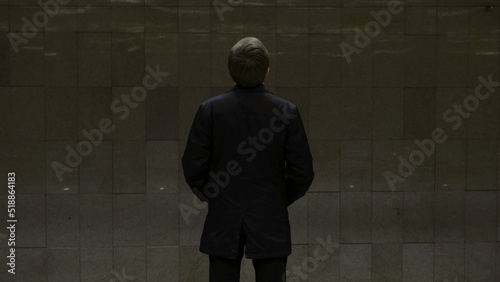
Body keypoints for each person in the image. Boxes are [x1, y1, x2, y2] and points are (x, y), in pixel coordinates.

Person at [181, 37, 314, 282]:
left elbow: (193, 165)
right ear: (267, 70)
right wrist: (279, 197)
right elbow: (302, 172)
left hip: (224, 213)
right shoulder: (287, 112)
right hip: (270, 213)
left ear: (231, 70)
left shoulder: (210, 110)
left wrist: (214, 194)